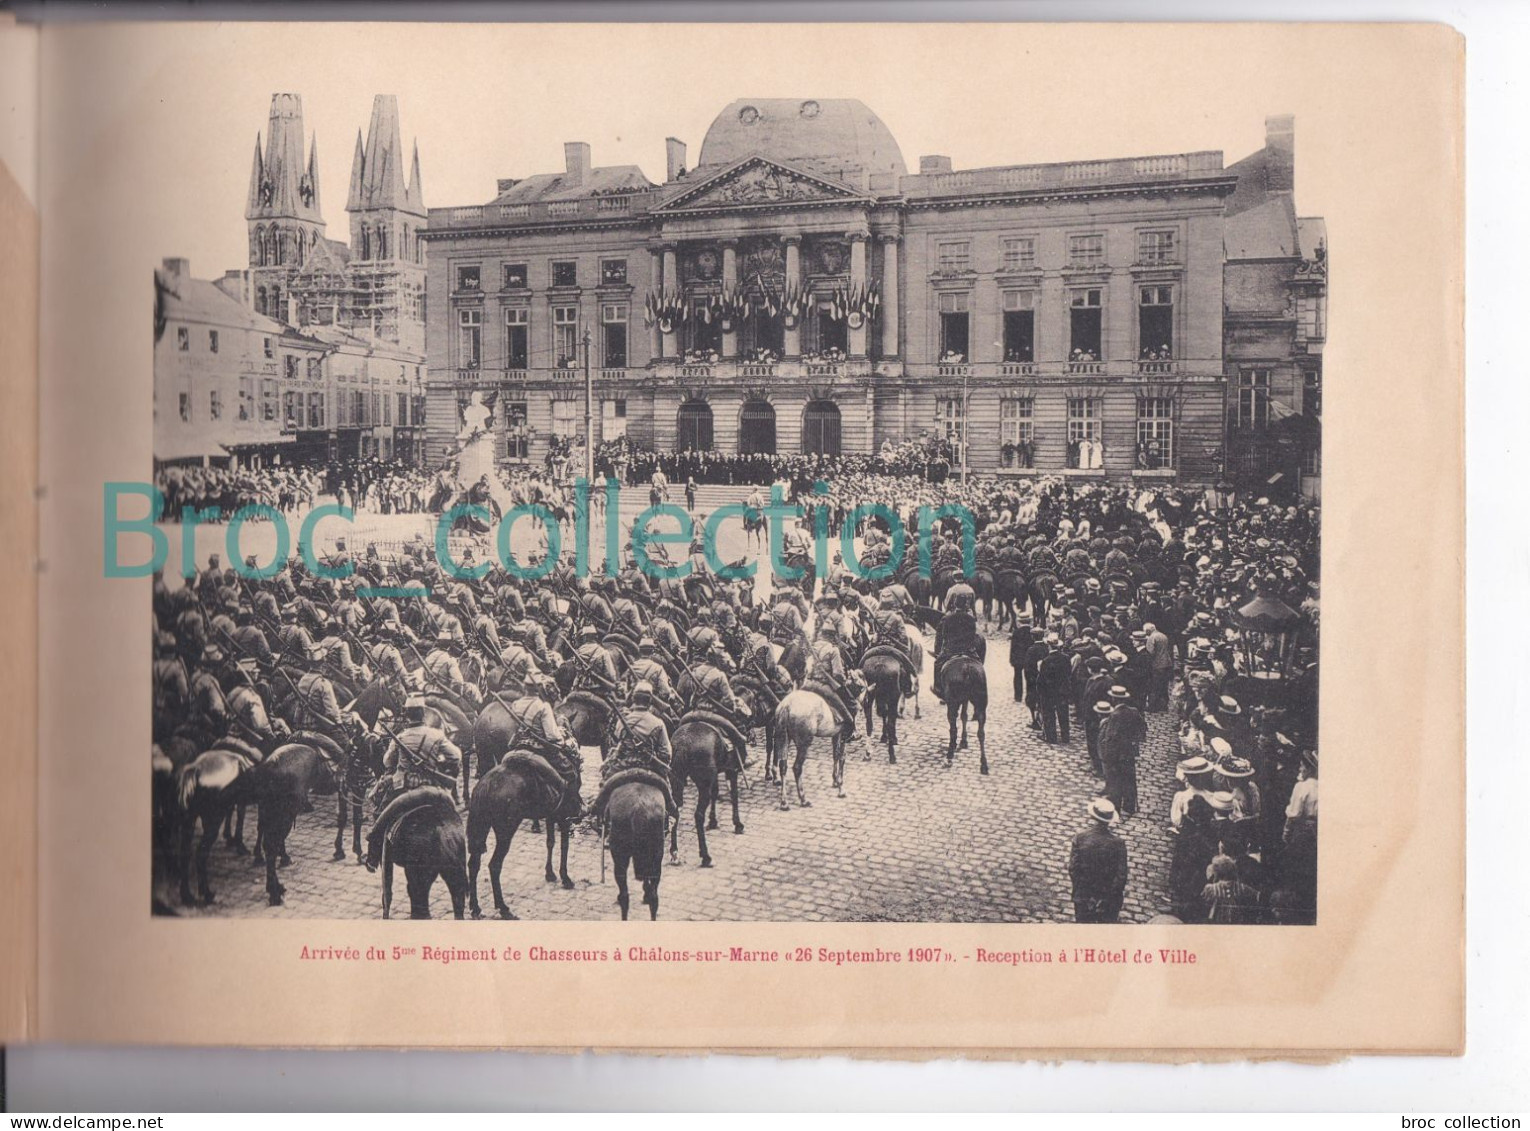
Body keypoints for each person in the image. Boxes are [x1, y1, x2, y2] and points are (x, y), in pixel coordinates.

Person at [1069, 797, 1129, 923]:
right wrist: (1105, 898)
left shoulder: (1080, 838)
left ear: (1093, 817)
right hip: (1109, 901)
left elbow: (1074, 869)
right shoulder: (1119, 844)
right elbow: (1121, 876)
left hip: (1084, 896)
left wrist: (1085, 893)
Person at [1098, 686, 1147, 816]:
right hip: (1129, 751)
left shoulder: (1114, 716)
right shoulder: (1134, 711)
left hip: (1117, 754)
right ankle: (1130, 805)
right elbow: (1143, 728)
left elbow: (1110, 737)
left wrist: (1106, 755)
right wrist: (1134, 741)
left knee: (1116, 780)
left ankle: (1116, 807)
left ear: (1114, 699)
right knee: (1130, 778)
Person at [1036, 634, 1074, 744]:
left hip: (1049, 693)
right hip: (1062, 691)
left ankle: (1051, 737)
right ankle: (1065, 736)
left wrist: (1040, 692)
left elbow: (1042, 679)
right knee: (1063, 713)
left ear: (1049, 646)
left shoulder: (1046, 661)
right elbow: (1068, 674)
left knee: (1049, 714)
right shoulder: (1066, 658)